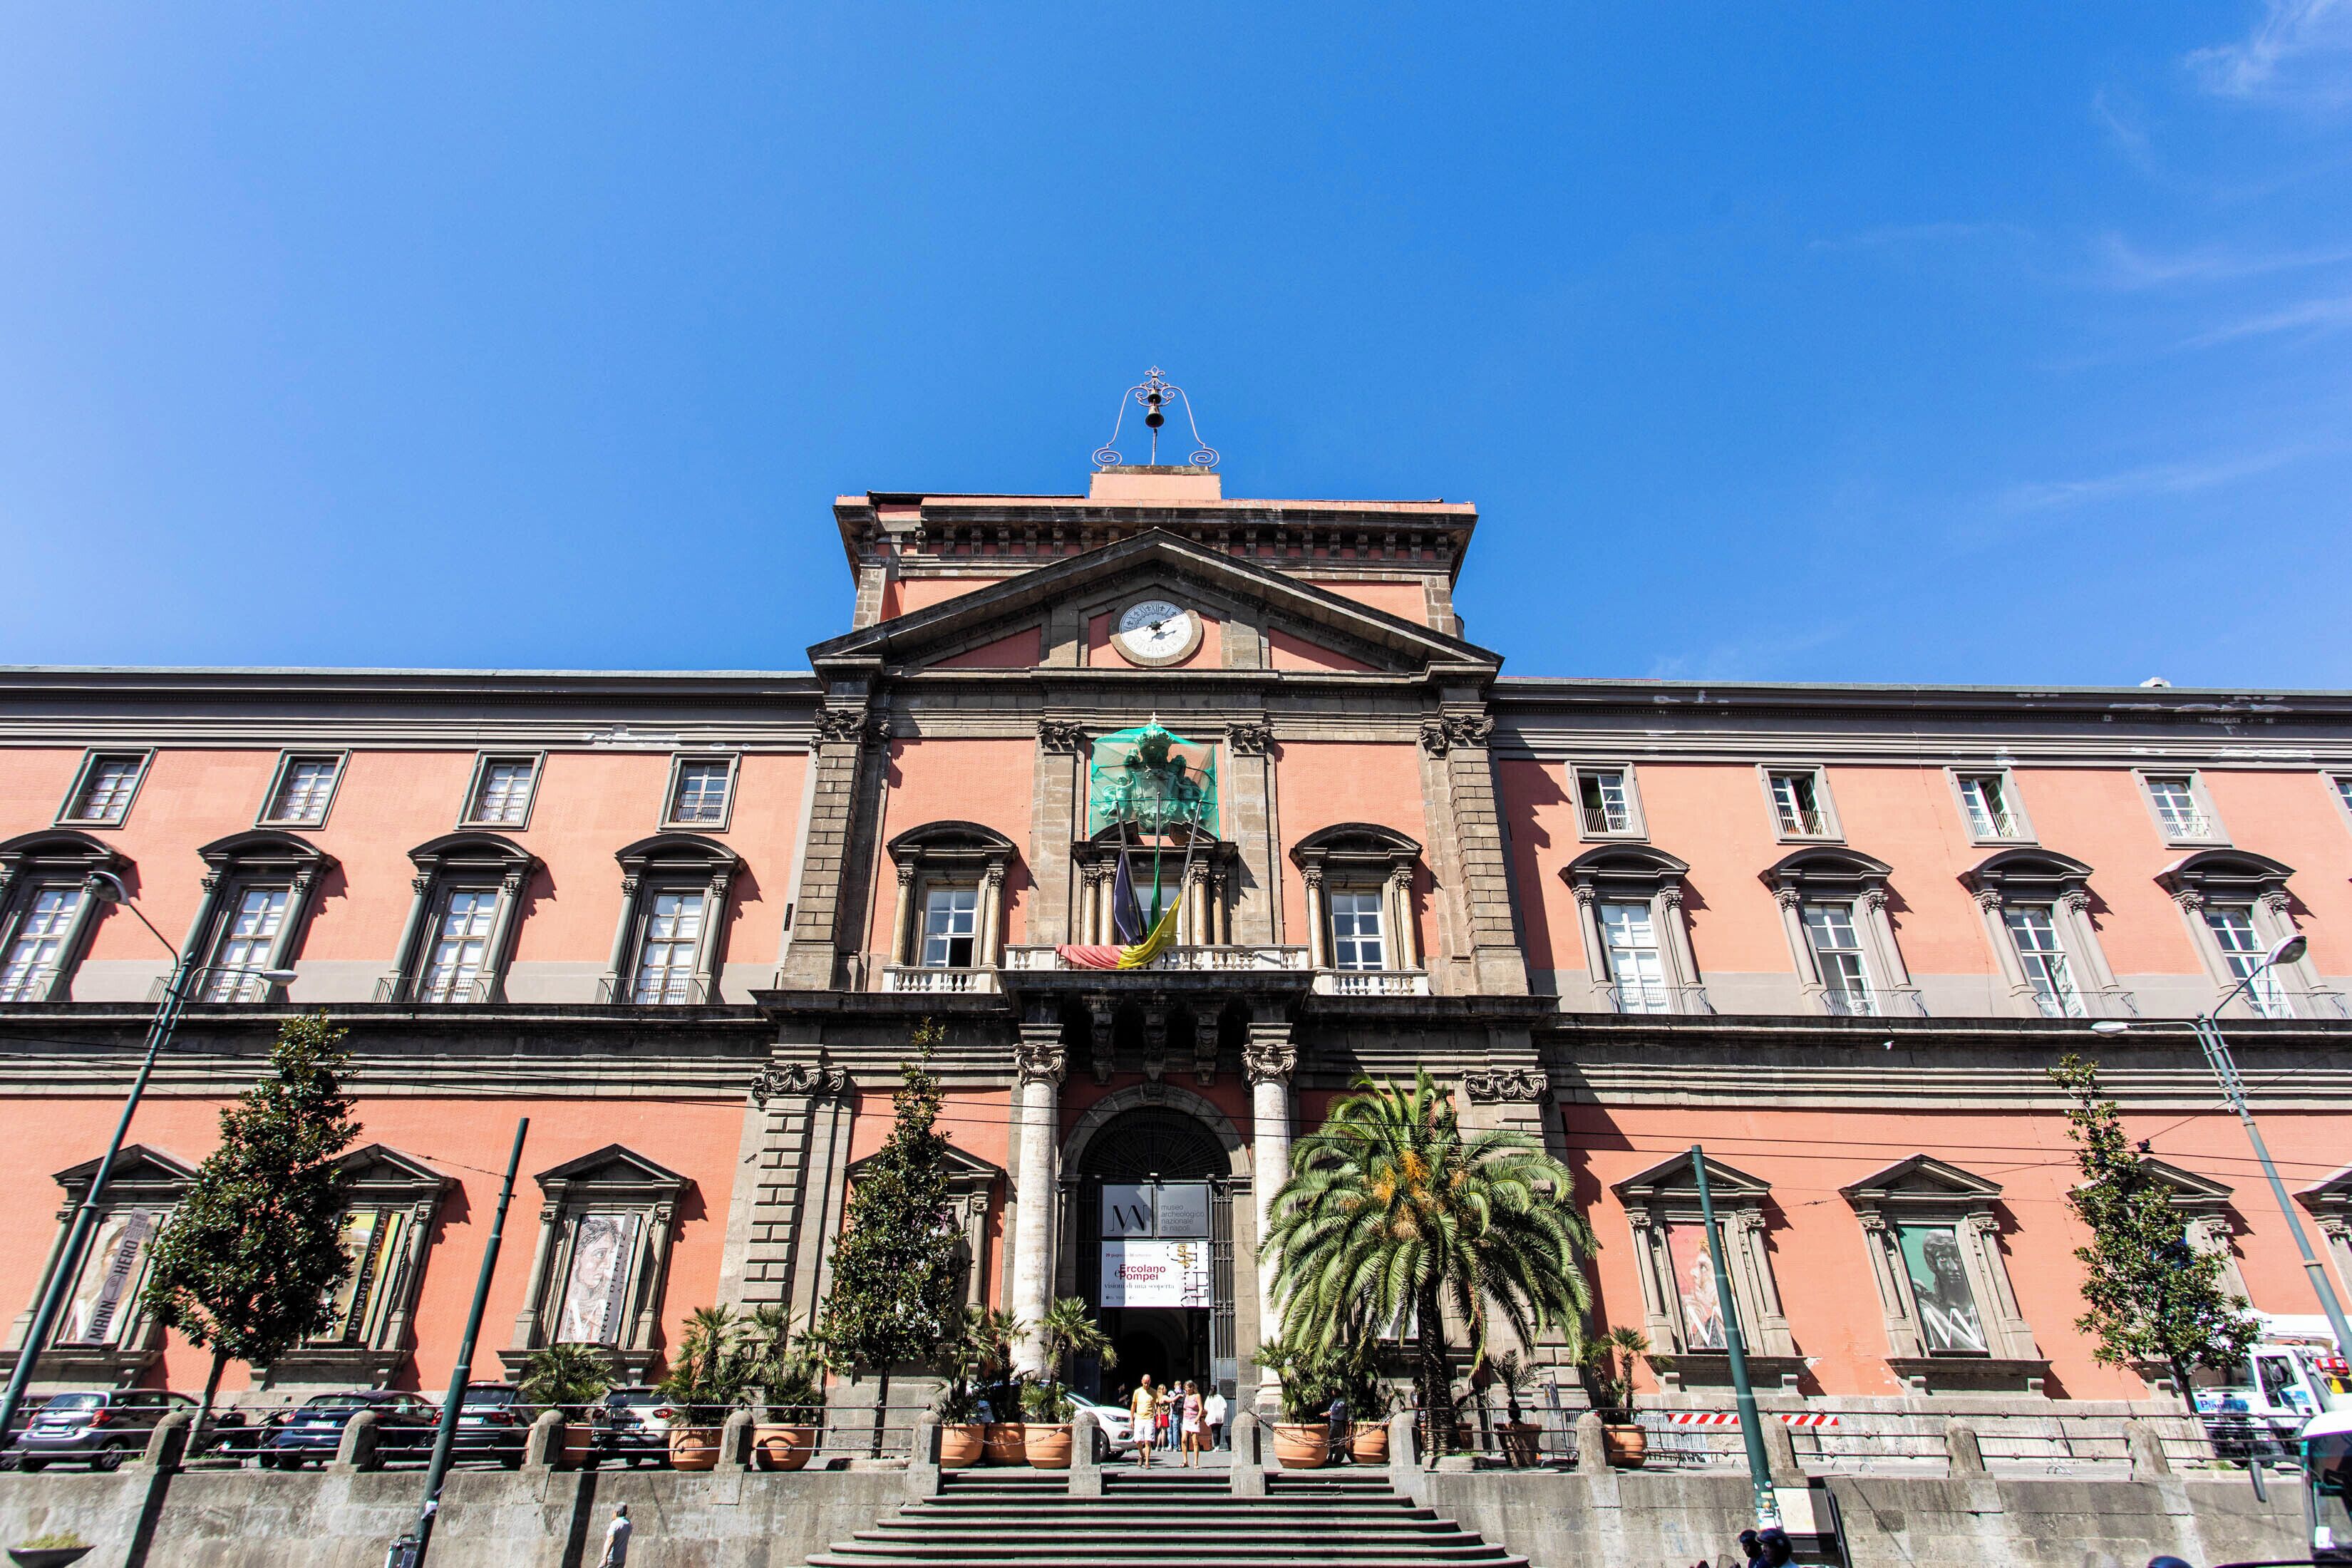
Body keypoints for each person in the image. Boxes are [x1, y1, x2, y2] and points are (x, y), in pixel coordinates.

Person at [1128, 1375, 1157, 1468]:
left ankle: (1147, 1462)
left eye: (1147, 1383)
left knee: (1148, 1441)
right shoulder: (1137, 1392)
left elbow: (1158, 1405)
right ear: (1142, 1382)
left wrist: (1159, 1418)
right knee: (1138, 1441)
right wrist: (1131, 1419)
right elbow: (1133, 1405)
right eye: (1144, 1383)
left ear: (1150, 1382)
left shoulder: (1153, 1392)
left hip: (1149, 1418)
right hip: (1139, 1418)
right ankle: (1141, 1454)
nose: (1146, 1385)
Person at [1179, 1380, 1205, 1468]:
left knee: (1195, 1442)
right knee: (1183, 1440)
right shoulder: (1186, 1396)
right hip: (1186, 1420)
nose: (1186, 1390)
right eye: (1185, 1388)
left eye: (1188, 1388)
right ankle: (1185, 1461)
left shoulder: (1197, 1396)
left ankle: (1196, 1463)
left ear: (1192, 1388)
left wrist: (1197, 1419)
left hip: (1194, 1420)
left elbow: (1201, 1409)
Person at [598, 1502, 632, 1568]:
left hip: (611, 1558)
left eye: (613, 1512)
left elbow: (611, 1540)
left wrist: (605, 1557)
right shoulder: (628, 1524)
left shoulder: (615, 1523)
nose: (612, 1514)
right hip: (622, 1558)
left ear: (617, 1513)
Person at [1326, 1390, 1351, 1465]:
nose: (1332, 1392)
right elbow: (1331, 1409)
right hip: (1333, 1422)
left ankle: (1337, 1458)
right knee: (1331, 1439)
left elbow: (1334, 1411)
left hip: (1338, 1423)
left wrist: (1324, 1414)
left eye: (1334, 1391)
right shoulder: (1336, 1400)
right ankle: (1330, 1456)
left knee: (1338, 1440)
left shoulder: (1341, 1401)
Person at [1205, 1386, 1228, 1450]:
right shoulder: (1220, 1397)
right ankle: (1218, 1446)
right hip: (1220, 1416)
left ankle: (1216, 1446)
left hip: (1213, 1416)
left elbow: (1206, 1407)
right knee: (1218, 1431)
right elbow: (1225, 1405)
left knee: (1214, 1431)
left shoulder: (1209, 1398)